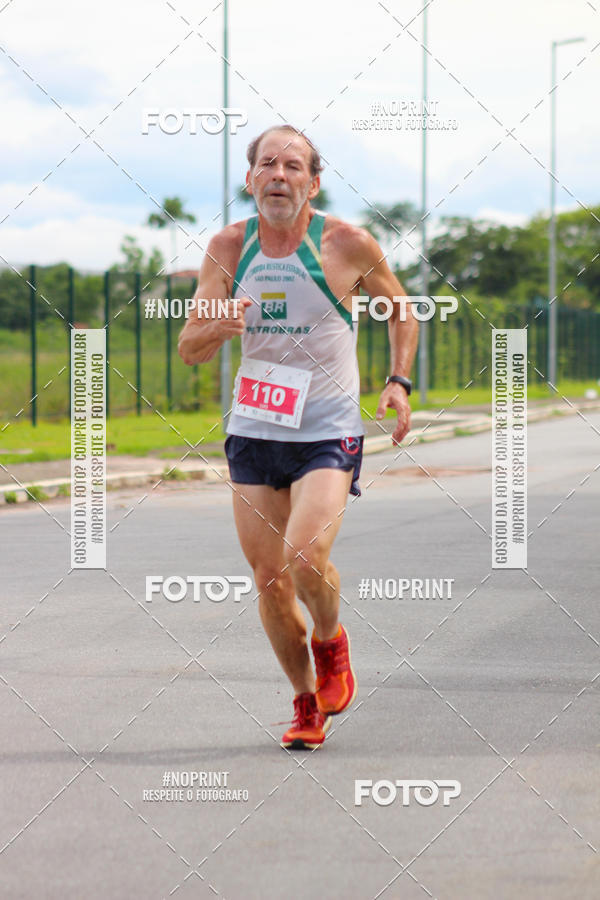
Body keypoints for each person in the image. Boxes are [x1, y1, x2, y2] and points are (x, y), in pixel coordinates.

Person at [178, 125, 418, 749]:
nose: (278, 175)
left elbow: (401, 309)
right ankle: (305, 701)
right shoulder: (229, 248)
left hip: (326, 429)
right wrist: (216, 326)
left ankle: (331, 640)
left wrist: (398, 380)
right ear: (251, 179)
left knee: (305, 556)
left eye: (292, 166)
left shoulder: (347, 244)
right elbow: (188, 350)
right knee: (269, 578)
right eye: (267, 165)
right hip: (255, 429)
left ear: (312, 182)